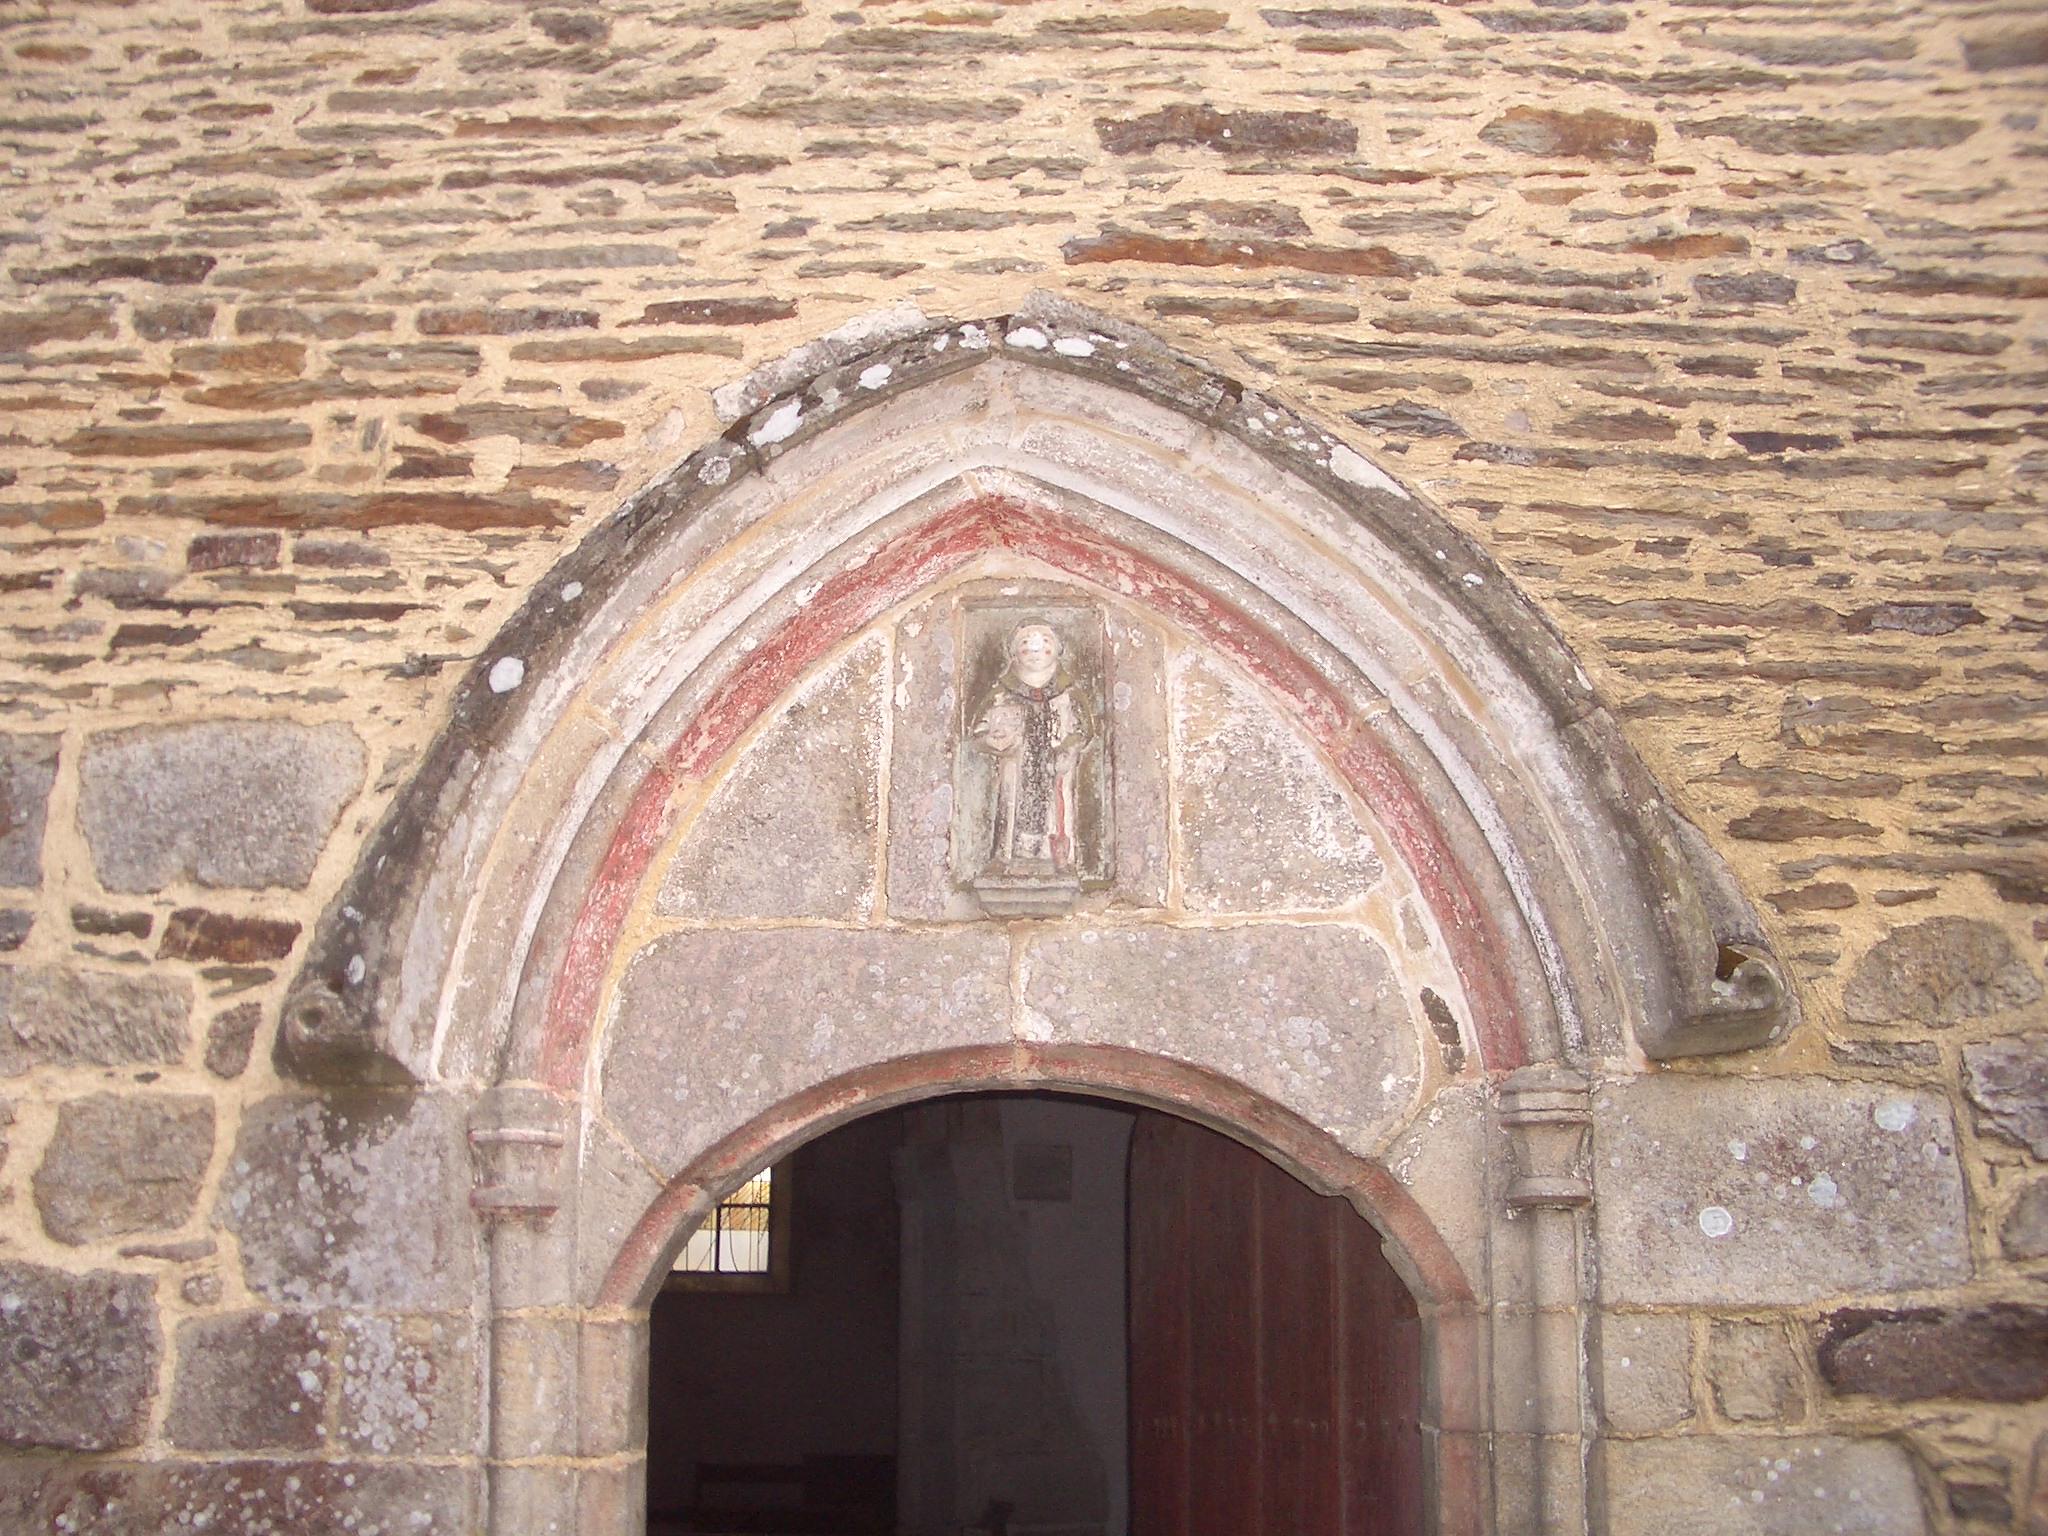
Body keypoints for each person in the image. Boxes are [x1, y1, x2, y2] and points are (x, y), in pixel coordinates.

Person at [972, 621, 1093, 874]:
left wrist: (1069, 748)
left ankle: (1060, 857)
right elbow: (979, 731)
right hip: (1015, 771)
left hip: (1055, 769)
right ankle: (1004, 857)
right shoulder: (1002, 694)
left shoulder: (1068, 694)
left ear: (1057, 651)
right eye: (1026, 645)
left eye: (1044, 644)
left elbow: (1083, 729)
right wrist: (991, 741)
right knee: (1010, 810)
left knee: (1056, 811)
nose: (1035, 651)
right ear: (1014, 653)